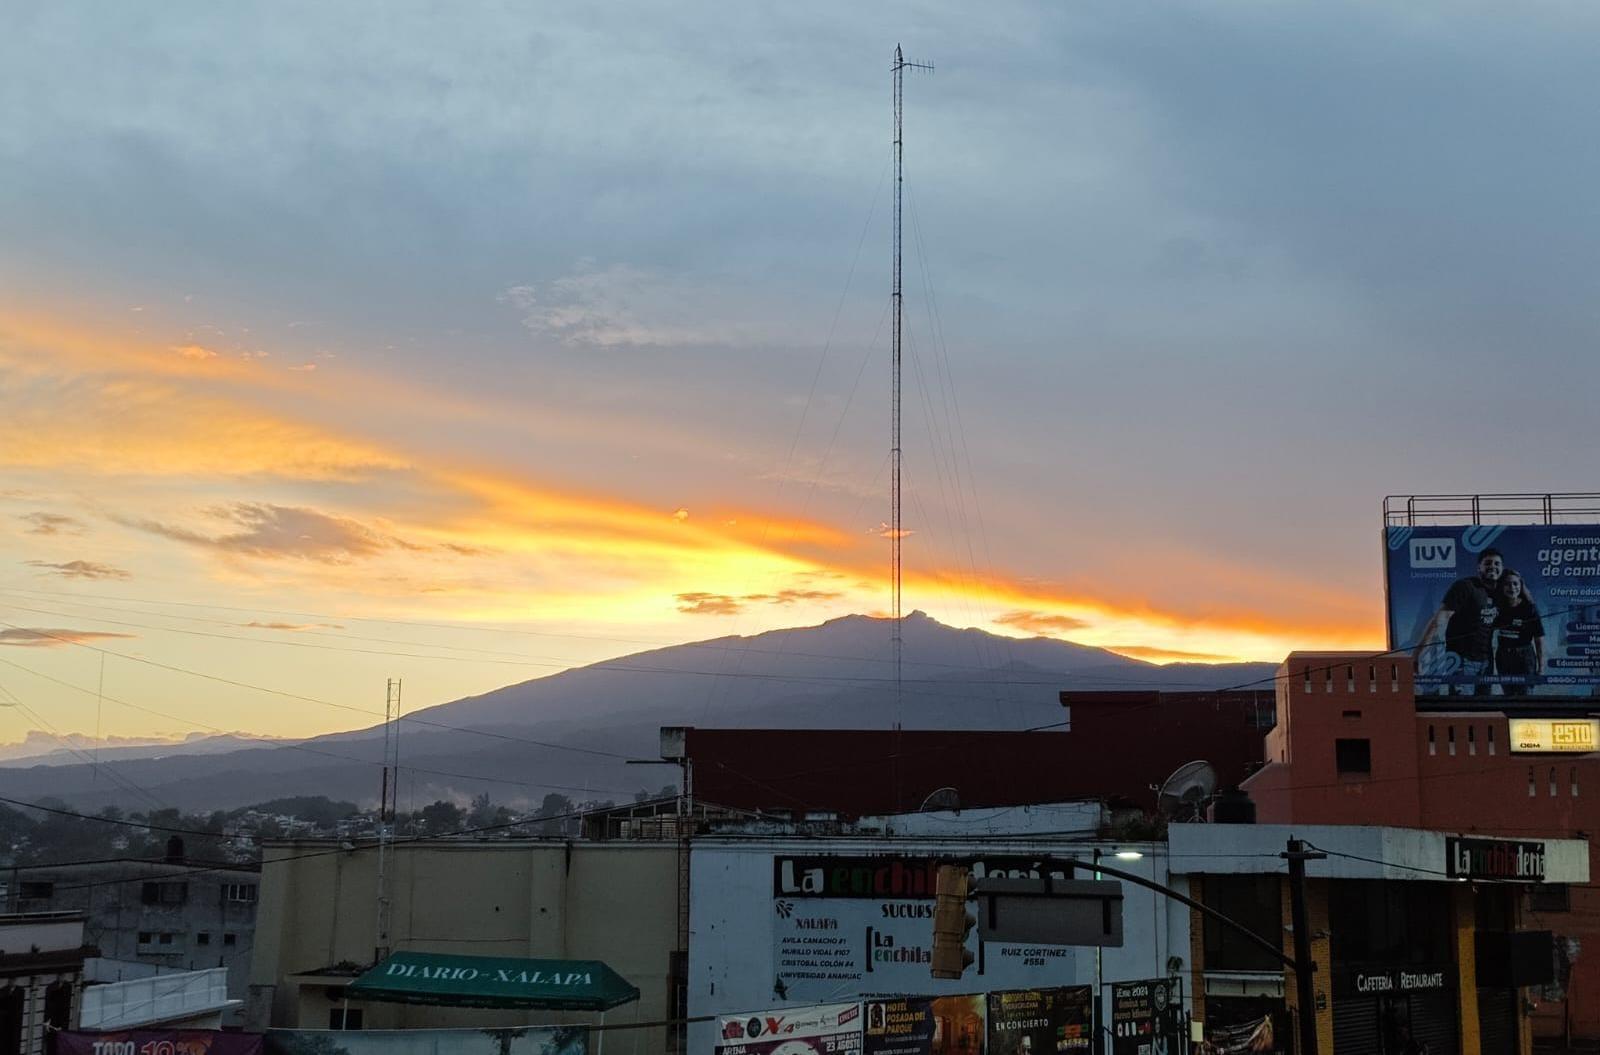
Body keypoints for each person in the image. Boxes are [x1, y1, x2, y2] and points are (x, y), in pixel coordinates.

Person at [1413, 548, 1504, 694]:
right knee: (1462, 710)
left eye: (1497, 563)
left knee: (1487, 711)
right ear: (1478, 567)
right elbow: (1440, 619)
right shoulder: (1465, 587)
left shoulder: (1501, 592)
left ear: (1502, 568)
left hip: (1486, 663)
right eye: (1488, 563)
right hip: (1462, 661)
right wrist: (1418, 652)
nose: (1493, 566)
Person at [1494, 569, 1545, 684]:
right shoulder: (1497, 607)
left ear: (1521, 586)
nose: (1512, 587)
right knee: (1507, 695)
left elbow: (1539, 639)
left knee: (1525, 697)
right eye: (1507, 584)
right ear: (1502, 587)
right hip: (1503, 656)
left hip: (1524, 657)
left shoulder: (1530, 608)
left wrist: (1541, 668)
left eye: (1515, 583)